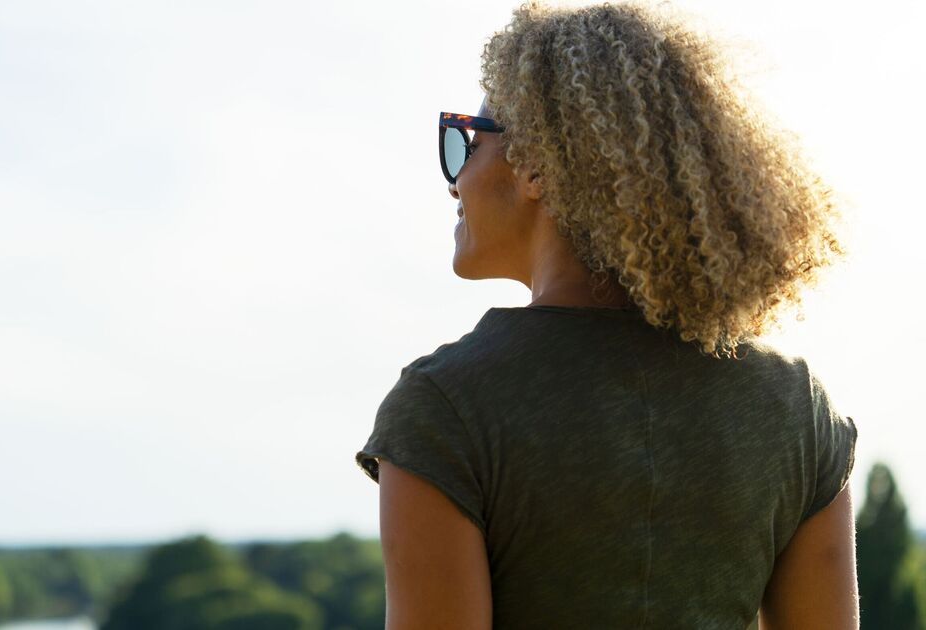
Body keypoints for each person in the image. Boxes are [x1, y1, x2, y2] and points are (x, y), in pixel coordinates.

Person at [354, 2, 858, 629]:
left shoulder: (443, 407)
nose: (454, 182)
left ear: (535, 164)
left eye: (466, 144)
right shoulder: (793, 406)